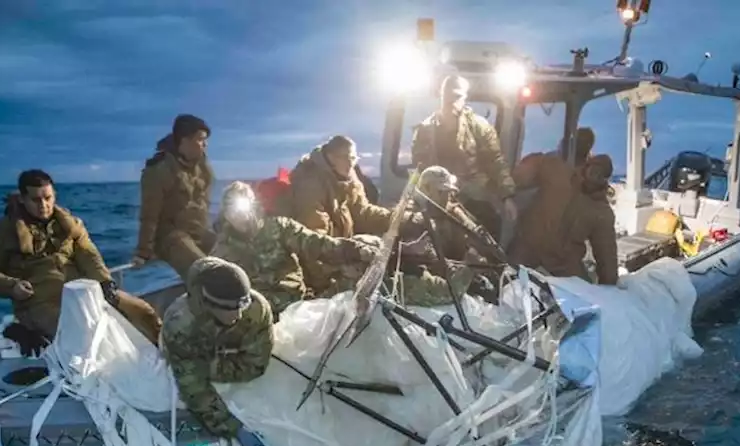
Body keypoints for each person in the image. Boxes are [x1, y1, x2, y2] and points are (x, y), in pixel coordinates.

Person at [0, 169, 163, 356]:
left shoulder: (71, 225)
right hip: (38, 301)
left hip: (82, 291)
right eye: (36, 200)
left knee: (143, 312)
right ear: (22, 199)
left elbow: (89, 255)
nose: (43, 205)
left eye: (48, 198)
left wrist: (105, 282)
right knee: (81, 336)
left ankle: (165, 357)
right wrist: (12, 286)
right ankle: (20, 329)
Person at [214, 182, 471, 316]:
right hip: (266, 318)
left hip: (300, 306)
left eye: (242, 208)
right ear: (225, 214)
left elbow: (319, 245)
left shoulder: (278, 228)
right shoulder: (221, 252)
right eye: (231, 210)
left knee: (365, 278)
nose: (238, 216)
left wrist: (354, 250)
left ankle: (443, 291)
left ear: (253, 205)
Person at [161, 257, 273, 446]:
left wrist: (212, 366)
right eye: (229, 308)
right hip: (191, 349)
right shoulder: (180, 325)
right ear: (209, 303)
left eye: (242, 304)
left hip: (218, 351)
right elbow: (194, 388)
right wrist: (233, 428)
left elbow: (256, 364)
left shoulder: (256, 308)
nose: (238, 314)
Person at [283, 134, 407, 297]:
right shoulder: (310, 185)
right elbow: (314, 241)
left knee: (381, 251)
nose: (351, 163)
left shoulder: (348, 178)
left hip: (341, 252)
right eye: (345, 158)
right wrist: (341, 267)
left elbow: (363, 212)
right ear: (330, 157)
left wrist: (399, 219)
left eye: (353, 158)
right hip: (322, 268)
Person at [410, 75, 518, 239]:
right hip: (437, 198)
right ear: (441, 95)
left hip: (475, 197)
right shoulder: (425, 131)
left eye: (457, 96)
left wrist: (507, 197)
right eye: (448, 95)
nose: (452, 100)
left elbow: (495, 161)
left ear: (465, 98)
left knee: (488, 228)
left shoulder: (479, 127)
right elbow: (419, 169)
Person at [513, 151, 619, 285]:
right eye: (594, 169)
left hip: (563, 262)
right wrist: (514, 181)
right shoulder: (559, 172)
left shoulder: (602, 212)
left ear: (605, 180)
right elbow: (538, 162)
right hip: (529, 245)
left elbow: (606, 253)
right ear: (587, 166)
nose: (594, 175)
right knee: (507, 276)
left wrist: (609, 284)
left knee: (584, 295)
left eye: (600, 175)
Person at [130, 114, 215, 280]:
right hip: (170, 237)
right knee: (205, 271)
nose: (205, 145)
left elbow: (204, 201)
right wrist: (143, 252)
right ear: (184, 141)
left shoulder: (203, 167)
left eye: (206, 140)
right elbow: (149, 215)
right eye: (200, 140)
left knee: (234, 255)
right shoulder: (159, 170)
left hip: (197, 232)